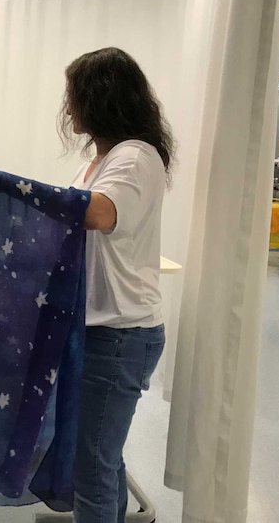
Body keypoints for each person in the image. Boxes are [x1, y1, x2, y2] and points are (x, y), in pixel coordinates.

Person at [61, 47, 175, 523]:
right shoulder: (105, 159)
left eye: (73, 97)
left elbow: (98, 213)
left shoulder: (132, 156)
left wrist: (13, 191)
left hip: (119, 334)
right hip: (101, 328)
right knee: (99, 453)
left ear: (97, 99)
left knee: (91, 465)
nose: (68, 109)